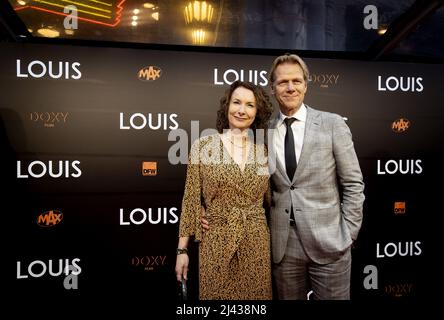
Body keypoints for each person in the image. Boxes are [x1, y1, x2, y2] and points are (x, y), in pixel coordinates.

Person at [203, 54, 365, 300]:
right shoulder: (261, 131)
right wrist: (208, 210)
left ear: (306, 85)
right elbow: (241, 183)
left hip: (330, 244)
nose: (290, 87)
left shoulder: (332, 124)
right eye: (283, 82)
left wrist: (348, 233)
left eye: (296, 81)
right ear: (273, 87)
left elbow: (353, 183)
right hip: (282, 247)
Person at [175, 80, 274, 300]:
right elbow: (190, 199)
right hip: (216, 240)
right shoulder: (203, 146)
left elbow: (275, 199)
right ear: (227, 105)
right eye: (236, 102)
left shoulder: (264, 152)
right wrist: (182, 250)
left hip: (256, 241)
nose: (241, 110)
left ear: (257, 112)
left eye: (250, 105)